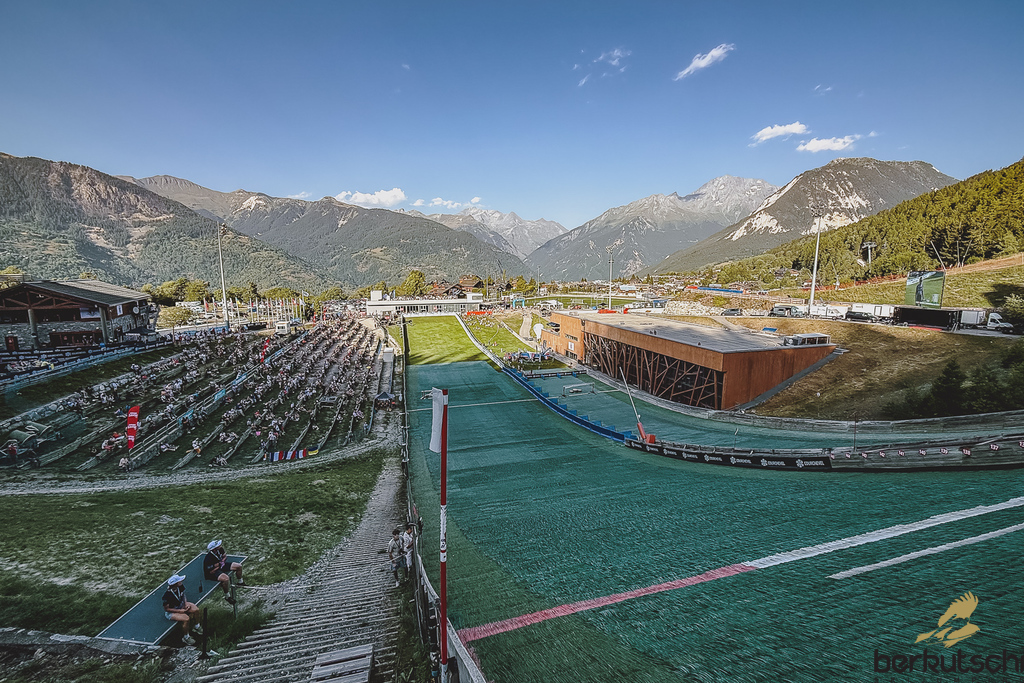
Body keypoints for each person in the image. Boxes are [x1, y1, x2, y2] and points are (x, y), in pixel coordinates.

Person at [162, 574, 202, 645]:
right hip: (172, 612)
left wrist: (185, 603)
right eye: (179, 581)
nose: (181, 581)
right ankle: (186, 637)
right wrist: (179, 611)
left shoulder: (180, 587)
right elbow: (167, 609)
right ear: (175, 584)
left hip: (181, 605)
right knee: (186, 619)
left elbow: (183, 595)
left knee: (196, 610)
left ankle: (196, 627)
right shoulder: (167, 596)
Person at [203, 539, 243, 604]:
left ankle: (240, 582)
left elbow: (224, 556)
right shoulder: (208, 559)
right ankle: (227, 596)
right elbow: (210, 571)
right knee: (226, 579)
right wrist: (218, 566)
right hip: (213, 572)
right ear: (214, 549)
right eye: (218, 545)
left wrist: (222, 561)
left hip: (221, 565)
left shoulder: (220, 549)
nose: (220, 545)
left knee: (239, 566)